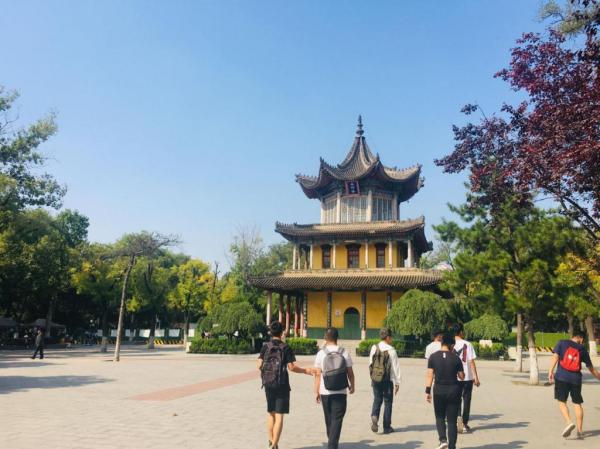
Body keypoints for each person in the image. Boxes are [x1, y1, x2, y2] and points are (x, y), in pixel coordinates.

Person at [257, 321, 313, 449]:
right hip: (282, 384)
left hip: (268, 384)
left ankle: (271, 441)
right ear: (282, 332)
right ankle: (274, 445)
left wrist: (266, 373)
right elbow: (291, 367)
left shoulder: (265, 346)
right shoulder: (286, 347)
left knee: (271, 413)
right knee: (279, 415)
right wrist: (305, 371)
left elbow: (258, 365)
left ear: (271, 332)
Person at [548, 330, 600, 440]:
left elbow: (555, 357)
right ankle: (580, 431)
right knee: (577, 403)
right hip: (576, 380)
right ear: (581, 338)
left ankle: (569, 422)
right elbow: (591, 368)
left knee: (562, 401)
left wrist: (550, 371)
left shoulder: (561, 343)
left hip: (561, 377)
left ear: (573, 336)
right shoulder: (582, 349)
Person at [313, 327, 355, 449]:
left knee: (329, 419)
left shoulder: (321, 353)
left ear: (325, 338)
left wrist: (316, 391)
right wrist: (352, 386)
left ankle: (332, 443)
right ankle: (332, 444)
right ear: (337, 337)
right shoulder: (344, 352)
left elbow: (317, 374)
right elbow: (350, 373)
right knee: (337, 419)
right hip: (341, 391)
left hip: (325, 391)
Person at [426, 333, 465, 449]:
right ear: (451, 345)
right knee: (452, 421)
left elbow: (430, 375)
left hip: (439, 391)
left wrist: (427, 391)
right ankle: (452, 446)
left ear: (442, 343)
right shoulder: (456, 358)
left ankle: (443, 440)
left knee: (439, 417)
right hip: (454, 391)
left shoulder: (433, 357)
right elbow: (461, 376)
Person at [369, 328, 401, 434]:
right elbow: (396, 368)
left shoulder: (374, 347)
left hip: (376, 379)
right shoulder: (391, 350)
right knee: (388, 402)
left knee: (377, 399)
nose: (391, 339)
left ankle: (374, 415)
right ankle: (387, 427)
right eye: (391, 337)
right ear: (387, 337)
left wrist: (373, 376)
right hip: (387, 380)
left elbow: (370, 363)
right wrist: (397, 382)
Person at [453, 324, 480, 433]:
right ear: (461, 332)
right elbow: (471, 362)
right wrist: (476, 377)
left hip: (454, 377)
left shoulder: (450, 344)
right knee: (467, 400)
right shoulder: (468, 344)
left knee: (456, 400)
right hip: (467, 377)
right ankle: (464, 423)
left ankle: (458, 420)